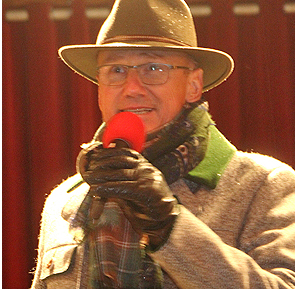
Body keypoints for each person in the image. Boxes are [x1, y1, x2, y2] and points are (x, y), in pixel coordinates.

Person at [32, 0, 295, 287]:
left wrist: (170, 224)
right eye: (116, 70)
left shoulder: (266, 186)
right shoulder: (62, 200)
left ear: (193, 85)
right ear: (99, 85)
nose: (132, 88)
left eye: (154, 68)